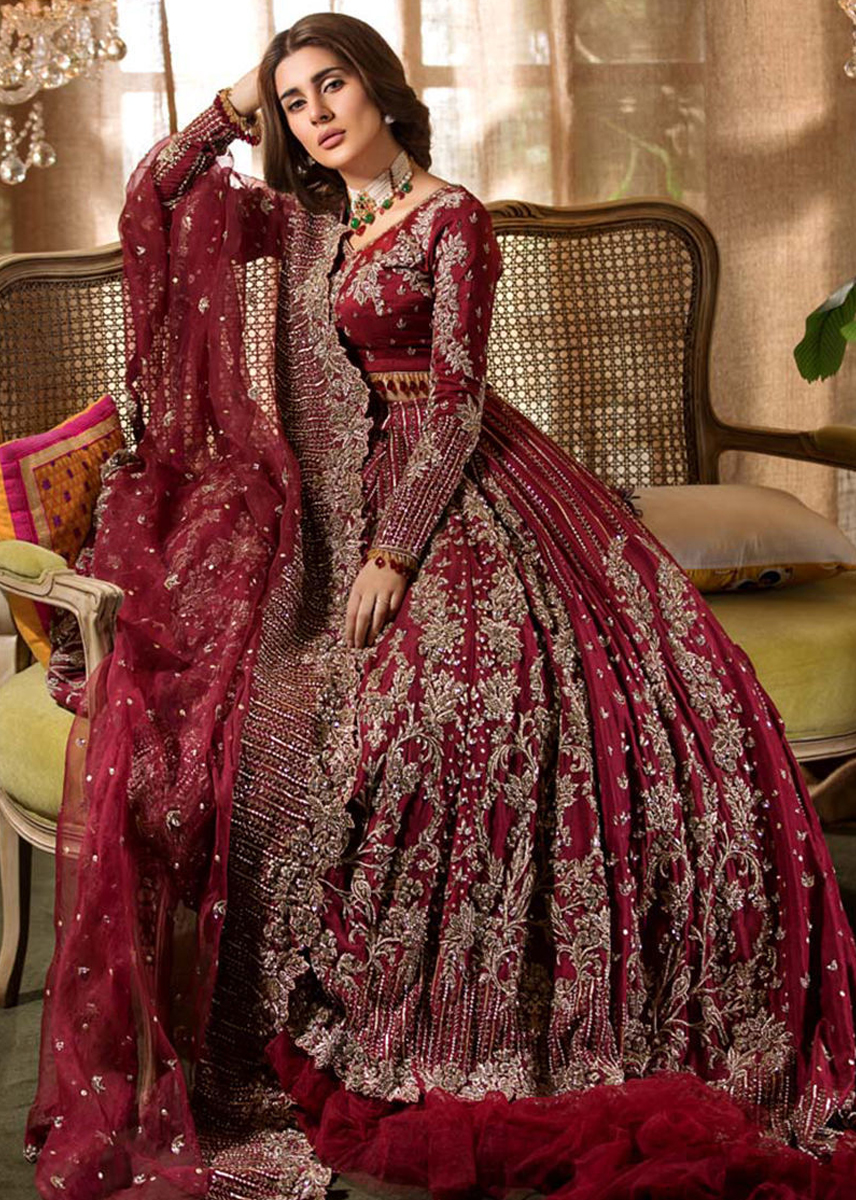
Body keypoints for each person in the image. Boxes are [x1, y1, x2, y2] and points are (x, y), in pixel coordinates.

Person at [24, 12, 856, 1200]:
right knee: (278, 712)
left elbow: (457, 403)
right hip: (329, 502)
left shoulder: (451, 217)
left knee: (455, 706)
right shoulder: (301, 219)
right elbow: (157, 197)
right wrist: (230, 104)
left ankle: (478, 1005)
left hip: (454, 484)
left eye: (331, 85)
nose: (315, 113)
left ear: (380, 88)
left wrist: (395, 556)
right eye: (294, 100)